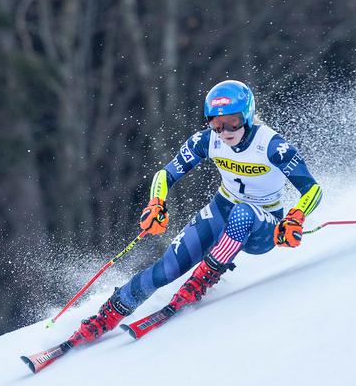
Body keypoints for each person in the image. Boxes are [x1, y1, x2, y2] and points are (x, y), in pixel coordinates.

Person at [68, 80, 322, 344]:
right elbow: (165, 174)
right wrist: (156, 203)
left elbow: (312, 189)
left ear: (246, 116)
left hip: (264, 224)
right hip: (223, 207)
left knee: (244, 213)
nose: (224, 131)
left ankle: (202, 279)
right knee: (166, 268)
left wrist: (295, 217)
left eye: (232, 121)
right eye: (215, 123)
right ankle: (107, 315)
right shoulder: (207, 141)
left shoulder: (271, 145)